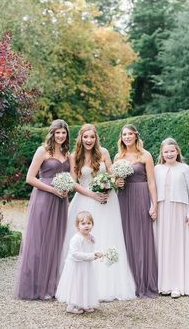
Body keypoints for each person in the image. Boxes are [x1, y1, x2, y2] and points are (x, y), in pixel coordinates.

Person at [59, 123, 136, 301]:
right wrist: (93, 194)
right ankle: (80, 287)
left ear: (96, 138)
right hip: (85, 201)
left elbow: (111, 174)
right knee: (82, 240)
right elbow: (73, 183)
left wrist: (114, 183)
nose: (89, 140)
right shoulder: (74, 156)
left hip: (107, 202)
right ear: (80, 138)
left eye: (92, 137)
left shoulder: (104, 153)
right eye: (85, 137)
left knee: (107, 236)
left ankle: (107, 285)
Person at [15, 119, 70, 300]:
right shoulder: (42, 151)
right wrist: (53, 189)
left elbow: (70, 176)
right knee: (40, 240)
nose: (61, 136)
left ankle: (51, 287)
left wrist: (66, 188)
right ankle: (34, 287)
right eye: (58, 133)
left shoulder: (66, 152)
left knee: (56, 241)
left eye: (63, 133)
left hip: (61, 201)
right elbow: (30, 178)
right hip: (44, 198)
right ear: (52, 133)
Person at [114, 124, 158, 298]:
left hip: (140, 196)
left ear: (135, 136)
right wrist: (117, 182)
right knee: (125, 236)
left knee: (142, 236)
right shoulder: (118, 156)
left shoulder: (145, 155)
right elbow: (115, 180)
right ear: (121, 137)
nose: (127, 137)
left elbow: (152, 182)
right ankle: (129, 282)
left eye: (130, 134)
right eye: (124, 134)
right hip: (124, 198)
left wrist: (155, 204)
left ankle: (144, 281)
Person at [155, 137, 189, 298]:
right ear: (162, 153)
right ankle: (163, 284)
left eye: (172, 151)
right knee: (162, 245)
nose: (169, 154)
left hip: (179, 210)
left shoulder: (184, 168)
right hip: (162, 209)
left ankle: (178, 285)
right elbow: (151, 189)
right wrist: (152, 207)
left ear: (177, 151)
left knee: (177, 247)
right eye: (166, 151)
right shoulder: (157, 168)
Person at [56, 211, 103, 314]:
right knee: (76, 285)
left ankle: (84, 304)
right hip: (76, 266)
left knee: (85, 284)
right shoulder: (76, 239)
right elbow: (75, 254)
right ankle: (71, 306)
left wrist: (96, 253)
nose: (86, 226)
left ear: (92, 224)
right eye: (83, 223)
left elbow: (90, 249)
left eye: (89, 223)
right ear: (77, 226)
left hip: (86, 266)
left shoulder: (91, 237)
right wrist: (92, 256)